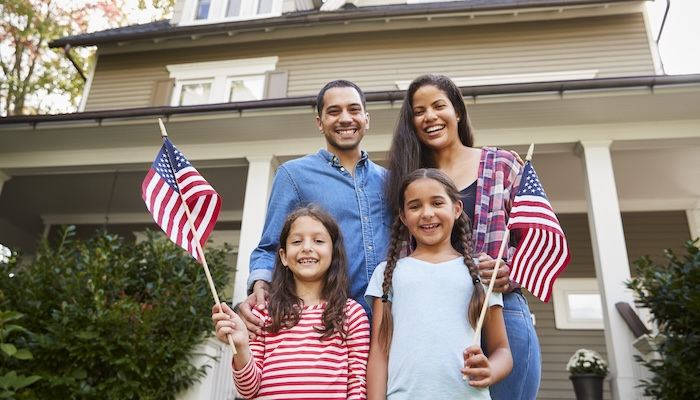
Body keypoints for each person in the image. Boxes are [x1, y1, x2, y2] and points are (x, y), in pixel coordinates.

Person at [384, 73, 541, 400]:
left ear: (457, 111)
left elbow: (533, 238)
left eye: (439, 105)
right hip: (435, 320)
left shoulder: (503, 165)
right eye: (419, 110)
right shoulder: (410, 181)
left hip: (502, 312)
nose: (430, 116)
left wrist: (507, 269)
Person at [239, 80, 390, 337]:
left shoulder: (390, 180)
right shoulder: (293, 175)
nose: (345, 118)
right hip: (328, 326)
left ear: (366, 119)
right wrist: (260, 285)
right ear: (320, 122)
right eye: (334, 111)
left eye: (353, 110)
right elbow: (270, 246)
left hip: (389, 323)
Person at [365, 168, 512, 399]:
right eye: (415, 206)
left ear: (456, 209)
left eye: (437, 203)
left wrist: (491, 370)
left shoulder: (481, 272)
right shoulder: (388, 273)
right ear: (403, 217)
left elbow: (502, 349)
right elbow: (379, 351)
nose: (427, 213)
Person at [212, 205, 370, 399]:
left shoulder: (352, 314)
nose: (307, 248)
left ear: (334, 254)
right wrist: (241, 345)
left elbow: (358, 385)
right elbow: (247, 390)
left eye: (318, 240)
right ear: (284, 256)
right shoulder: (263, 313)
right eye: (297, 241)